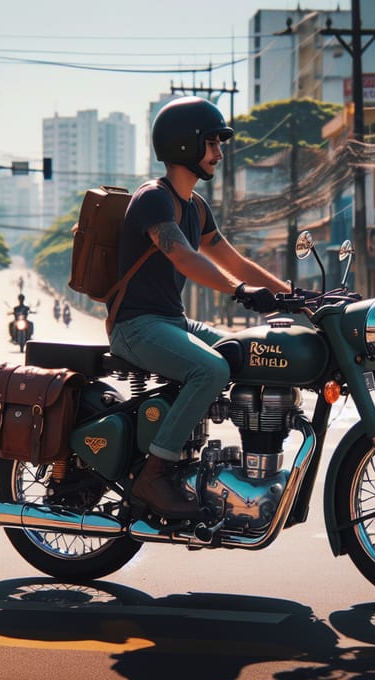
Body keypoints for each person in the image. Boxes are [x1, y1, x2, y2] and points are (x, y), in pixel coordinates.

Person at [108, 96, 289, 520]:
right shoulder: (154, 198)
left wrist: (296, 297)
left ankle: (214, 463)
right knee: (211, 369)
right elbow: (183, 257)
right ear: (185, 145)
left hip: (170, 320)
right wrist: (239, 290)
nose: (219, 153)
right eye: (212, 143)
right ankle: (154, 475)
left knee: (243, 351)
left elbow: (233, 260)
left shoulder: (196, 207)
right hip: (135, 325)